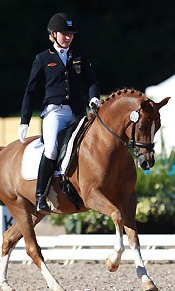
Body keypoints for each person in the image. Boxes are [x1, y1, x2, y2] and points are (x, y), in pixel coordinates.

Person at [18, 12, 101, 214]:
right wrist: (24, 121)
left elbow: (91, 81)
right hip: (54, 113)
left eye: (70, 34)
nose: (68, 37)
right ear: (53, 34)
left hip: (77, 112)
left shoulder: (79, 55)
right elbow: (30, 91)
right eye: (64, 34)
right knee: (52, 149)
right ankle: (40, 196)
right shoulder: (43, 59)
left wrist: (94, 96)